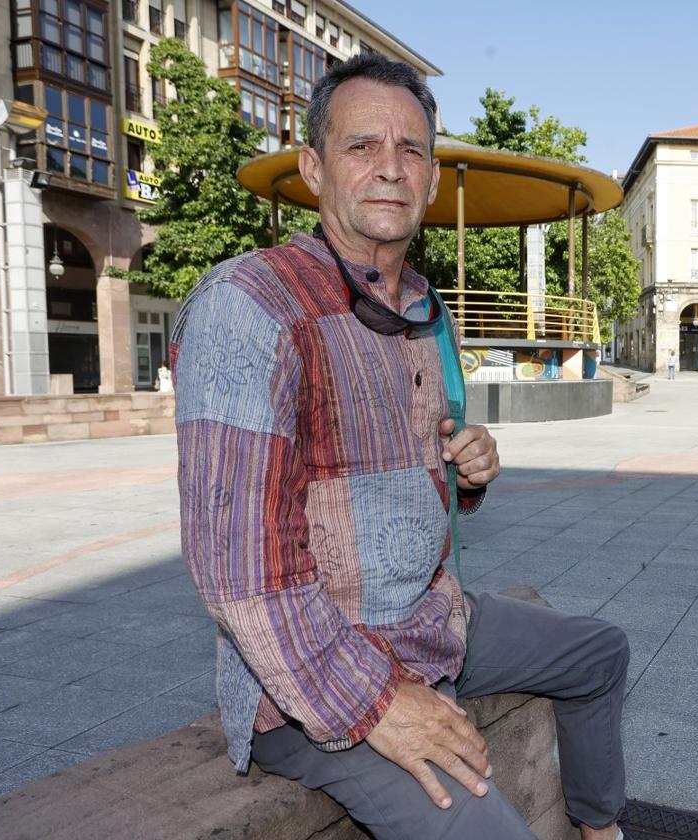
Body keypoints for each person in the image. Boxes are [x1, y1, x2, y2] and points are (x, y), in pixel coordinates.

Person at [171, 55, 628, 840]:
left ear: (430, 172)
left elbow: (418, 469)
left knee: (600, 654)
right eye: (361, 146)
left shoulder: (422, 305)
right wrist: (378, 702)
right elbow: (240, 575)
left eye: (411, 149)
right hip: (318, 669)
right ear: (314, 169)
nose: (390, 168)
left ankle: (599, 829)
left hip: (432, 619)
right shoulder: (250, 307)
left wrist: (470, 470)